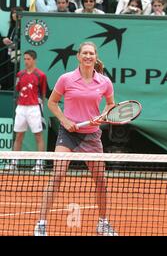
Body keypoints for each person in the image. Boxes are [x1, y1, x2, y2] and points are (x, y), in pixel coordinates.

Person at [34, 41, 117, 236]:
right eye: (85, 53)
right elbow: (52, 103)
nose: (88, 56)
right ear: (78, 57)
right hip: (68, 134)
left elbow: (111, 104)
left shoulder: (104, 82)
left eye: (91, 53)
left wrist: (102, 116)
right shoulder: (66, 79)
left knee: (101, 181)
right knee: (57, 176)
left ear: (95, 57)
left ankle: (103, 224)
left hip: (92, 135)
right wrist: (64, 120)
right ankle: (41, 224)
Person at [5, 50, 47, 172]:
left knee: (38, 136)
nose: (26, 61)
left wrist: (40, 108)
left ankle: (39, 164)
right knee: (18, 136)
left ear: (34, 60)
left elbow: (43, 94)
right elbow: (18, 89)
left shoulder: (41, 75)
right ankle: (13, 163)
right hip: (21, 107)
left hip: (34, 108)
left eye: (28, 59)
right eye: (24, 59)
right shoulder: (20, 75)